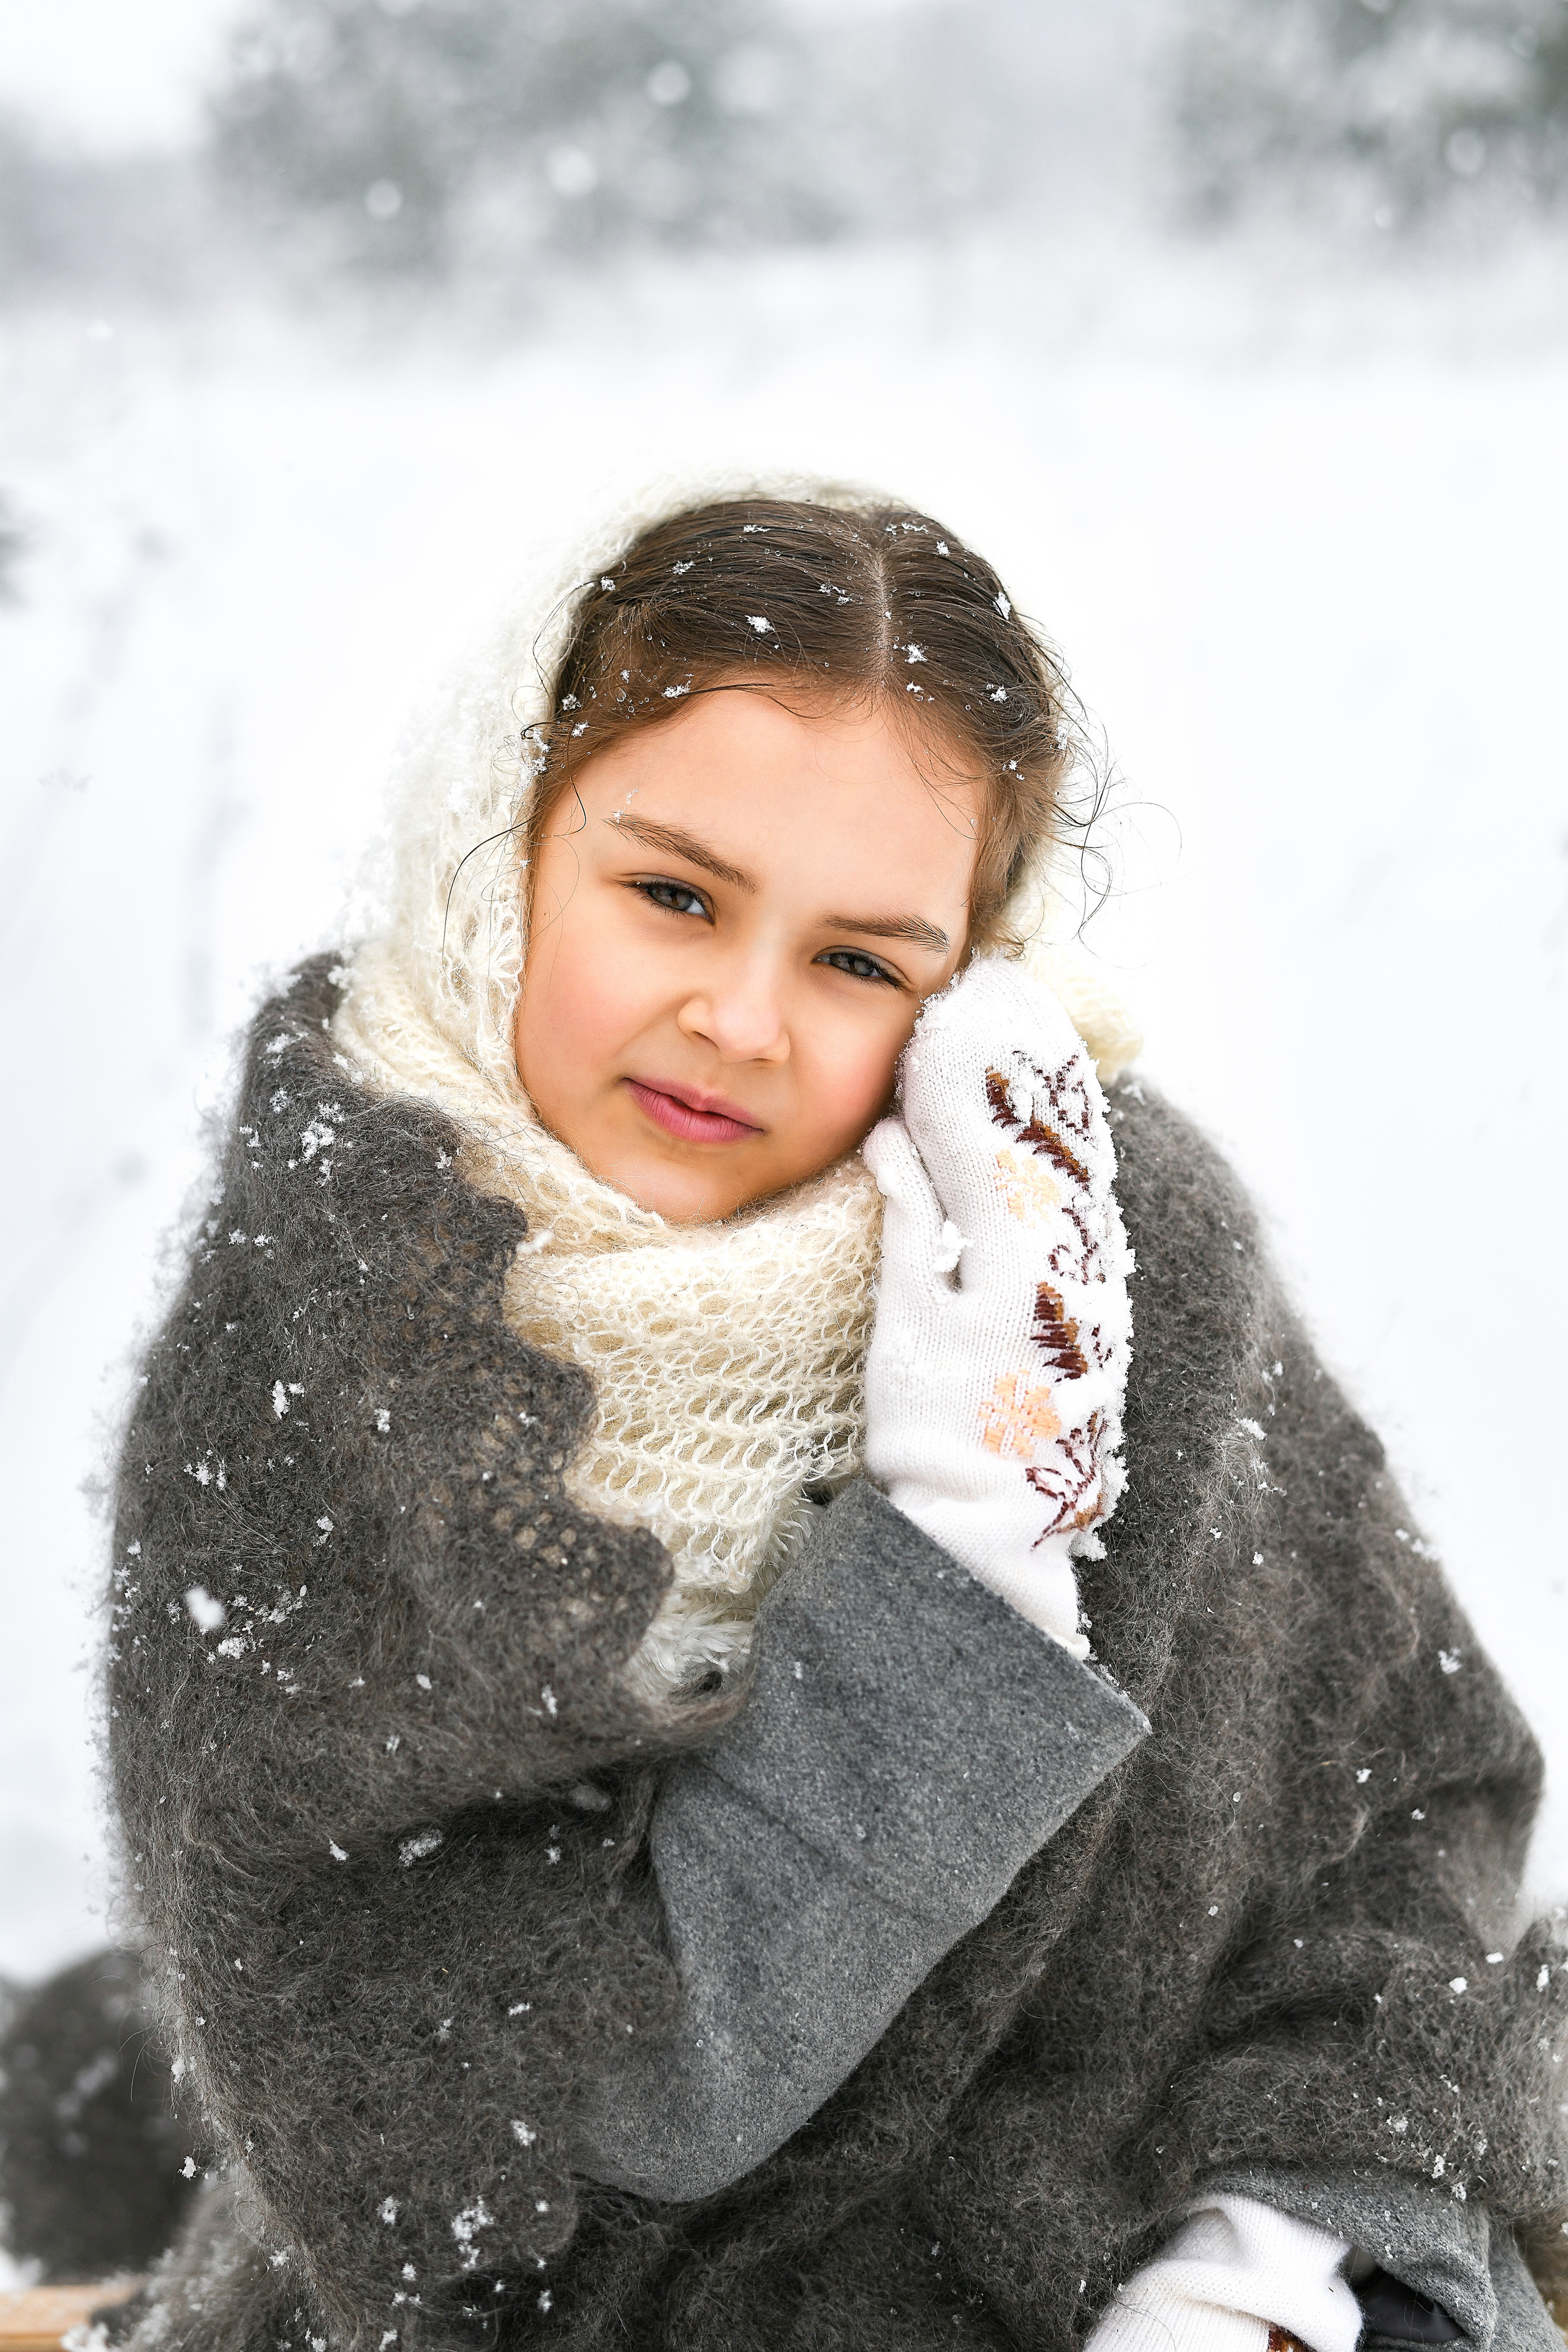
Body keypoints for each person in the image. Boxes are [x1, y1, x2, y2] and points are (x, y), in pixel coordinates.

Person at [72, 488, 1567, 2351]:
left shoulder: (1096, 1259)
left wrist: (1272, 2258)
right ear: (505, 850)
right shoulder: (346, 1314)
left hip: (1119, 2250)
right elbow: (575, 2120)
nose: (744, 1016)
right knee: (94, 2093)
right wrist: (962, 1563)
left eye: (863, 960)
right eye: (674, 895)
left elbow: (1410, 1815)